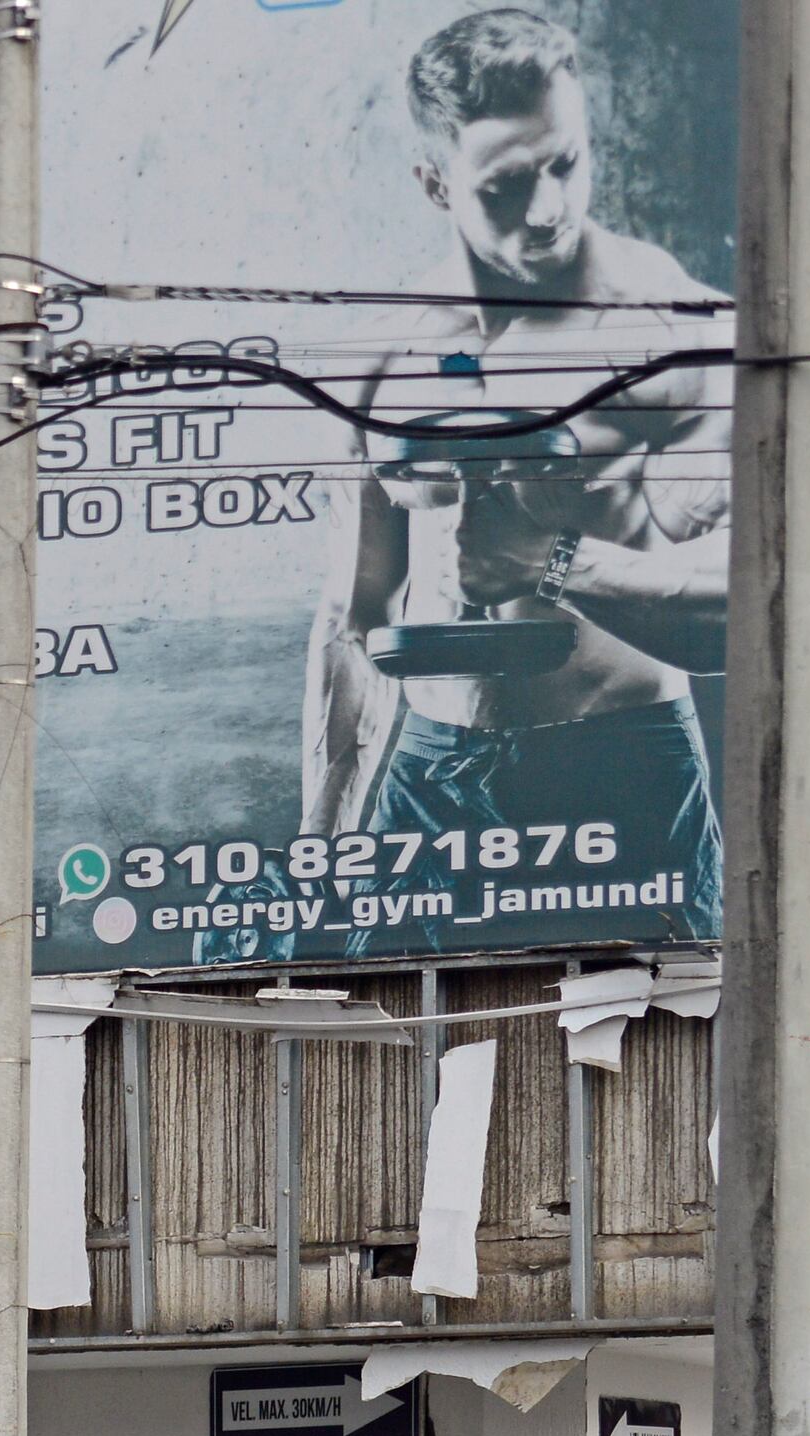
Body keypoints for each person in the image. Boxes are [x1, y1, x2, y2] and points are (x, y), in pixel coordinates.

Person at [303, 10, 730, 925]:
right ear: (434, 182)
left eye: (566, 164)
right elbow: (356, 616)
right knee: (400, 1049)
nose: (548, 210)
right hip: (433, 768)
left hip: (618, 754)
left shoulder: (670, 331)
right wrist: (323, 843)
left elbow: (739, 615)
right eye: (505, 186)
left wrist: (551, 561)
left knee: (652, 1050)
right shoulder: (383, 356)